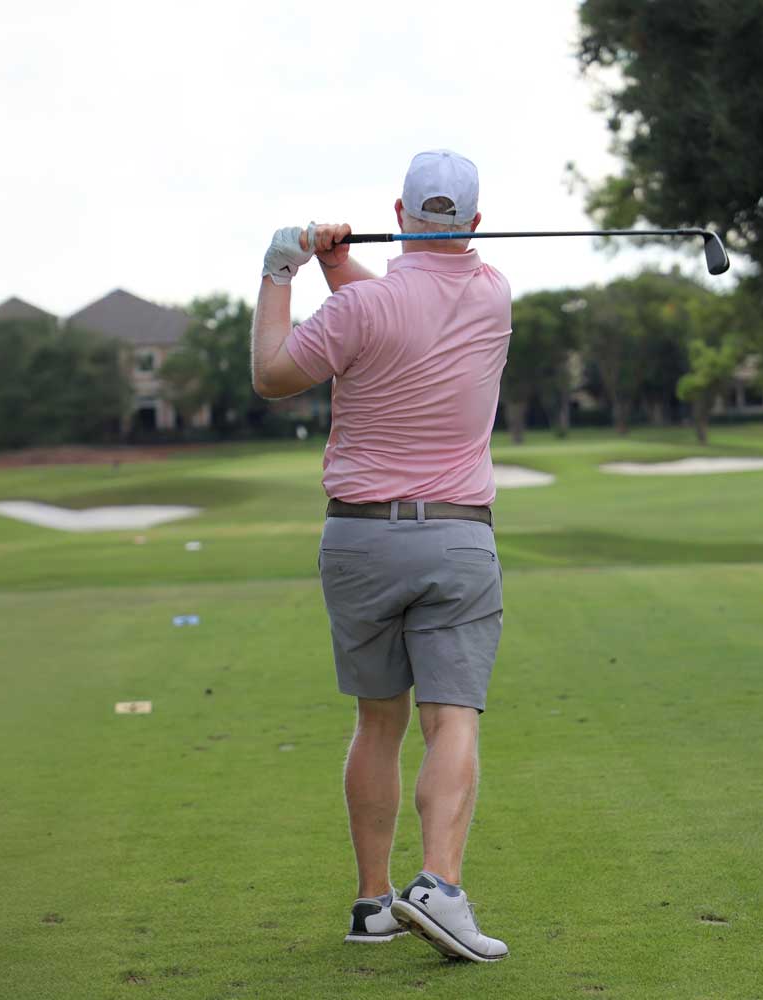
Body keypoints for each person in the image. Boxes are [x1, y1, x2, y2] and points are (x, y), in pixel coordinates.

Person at [251, 149, 511, 963]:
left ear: (397, 213)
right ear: (472, 222)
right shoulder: (495, 294)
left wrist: (282, 270)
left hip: (359, 537)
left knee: (378, 721)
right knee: (451, 718)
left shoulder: (361, 311)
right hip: (458, 536)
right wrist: (336, 265)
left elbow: (271, 374)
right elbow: (406, 305)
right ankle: (438, 887)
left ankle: (373, 904)